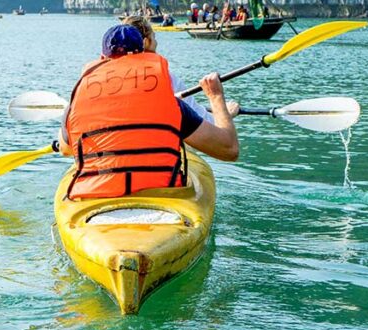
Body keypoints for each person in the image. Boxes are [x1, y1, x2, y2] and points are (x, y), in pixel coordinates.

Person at [58, 24, 239, 199]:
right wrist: (215, 97)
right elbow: (229, 149)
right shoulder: (172, 105)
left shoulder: (76, 104)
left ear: (102, 59)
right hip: (161, 195)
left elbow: (66, 149)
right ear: (142, 55)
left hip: (95, 197)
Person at [123, 15, 240, 124]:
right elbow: (209, 125)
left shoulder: (110, 78)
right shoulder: (165, 79)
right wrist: (223, 109)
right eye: (153, 37)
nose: (156, 43)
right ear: (145, 42)